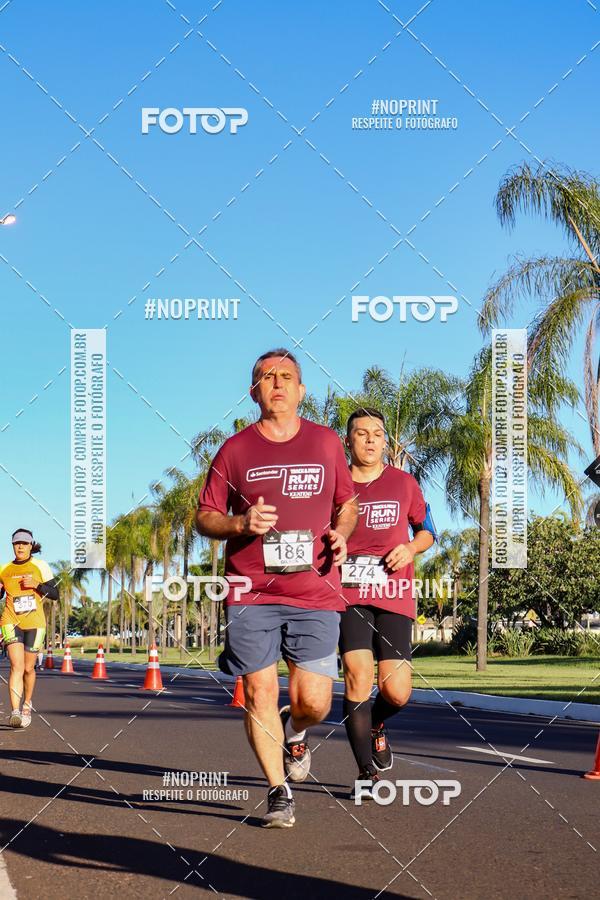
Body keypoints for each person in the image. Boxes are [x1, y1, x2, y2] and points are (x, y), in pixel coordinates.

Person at [196, 348, 358, 827]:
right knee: (260, 689)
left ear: (302, 390)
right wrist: (241, 522)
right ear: (254, 392)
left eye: (287, 377)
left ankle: (294, 728)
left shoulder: (327, 443)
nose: (279, 384)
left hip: (315, 590)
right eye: (267, 378)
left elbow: (347, 505)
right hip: (252, 592)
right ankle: (278, 790)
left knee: (316, 701)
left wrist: (341, 534)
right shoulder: (235, 450)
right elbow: (205, 517)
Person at [339, 409, 435, 797]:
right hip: (347, 593)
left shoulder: (403, 483)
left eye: (377, 433)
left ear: (386, 441)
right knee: (357, 675)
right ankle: (366, 774)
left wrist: (410, 548)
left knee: (397, 692)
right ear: (348, 441)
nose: (370, 439)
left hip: (394, 593)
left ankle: (377, 723)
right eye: (361, 433)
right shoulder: (336, 483)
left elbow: (427, 531)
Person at [0, 529, 59, 727]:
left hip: (35, 623)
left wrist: (37, 585)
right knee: (16, 666)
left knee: (27, 668)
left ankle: (27, 704)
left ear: (31, 545)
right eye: (17, 543)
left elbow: (55, 593)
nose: (20, 547)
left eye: (24, 544)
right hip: (10, 620)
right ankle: (15, 712)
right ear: (12, 545)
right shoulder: (4, 569)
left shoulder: (40, 566)